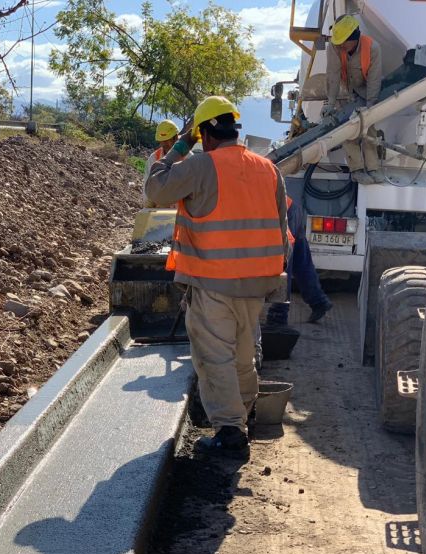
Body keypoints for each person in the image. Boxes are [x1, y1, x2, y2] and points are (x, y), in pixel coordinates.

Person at [146, 96, 290, 459]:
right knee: (244, 354)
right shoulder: (267, 169)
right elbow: (281, 227)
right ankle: (243, 415)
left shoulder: (200, 166)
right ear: (233, 128)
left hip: (213, 281)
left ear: (205, 135)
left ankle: (229, 432)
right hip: (257, 283)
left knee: (215, 358)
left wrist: (179, 147)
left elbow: (155, 189)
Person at [321, 14, 383, 185]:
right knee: (347, 129)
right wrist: (330, 103)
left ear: (354, 39)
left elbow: (374, 79)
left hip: (365, 92)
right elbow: (332, 75)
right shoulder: (334, 47)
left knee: (368, 127)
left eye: (343, 42)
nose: (340, 46)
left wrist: (370, 107)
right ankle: (357, 169)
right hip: (345, 92)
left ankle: (373, 168)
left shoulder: (372, 48)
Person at [266, 196, 332, 326]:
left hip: (284, 213)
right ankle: (318, 301)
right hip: (291, 209)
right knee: (300, 262)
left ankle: (278, 315)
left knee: (283, 264)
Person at [142, 119, 185, 208]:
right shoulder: (154, 158)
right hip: (160, 211)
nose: (164, 144)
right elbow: (147, 185)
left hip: (182, 211)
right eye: (162, 141)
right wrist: (148, 206)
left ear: (176, 138)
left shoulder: (188, 157)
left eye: (167, 140)